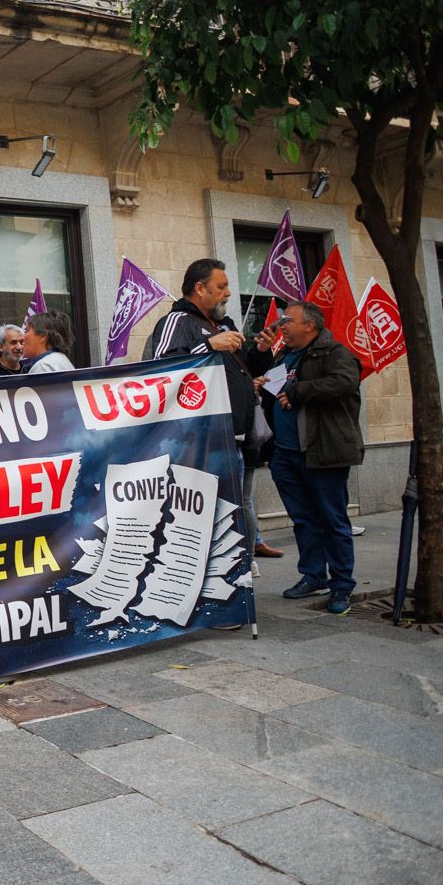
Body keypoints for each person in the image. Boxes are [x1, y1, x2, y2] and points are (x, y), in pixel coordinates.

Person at [144, 259, 277, 628]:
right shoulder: (177, 322)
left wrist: (260, 352)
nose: (228, 293)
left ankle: (231, 599)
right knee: (210, 525)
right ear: (199, 289)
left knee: (233, 523)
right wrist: (208, 344)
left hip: (236, 439)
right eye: (220, 287)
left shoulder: (223, 325)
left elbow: (239, 369)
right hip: (201, 443)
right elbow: (160, 369)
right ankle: (212, 605)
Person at [263, 300, 365, 615]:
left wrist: (300, 391)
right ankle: (313, 575)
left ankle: (342, 585)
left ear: (310, 325)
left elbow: (345, 382)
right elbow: (277, 391)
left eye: (287, 320)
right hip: (285, 454)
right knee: (304, 519)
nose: (282, 325)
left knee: (332, 520)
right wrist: (262, 383)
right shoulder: (284, 353)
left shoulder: (334, 353)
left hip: (323, 452)